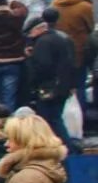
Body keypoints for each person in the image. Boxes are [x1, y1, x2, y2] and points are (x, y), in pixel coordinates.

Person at [22, 8, 79, 143]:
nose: (30, 36)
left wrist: (30, 60)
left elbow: (43, 67)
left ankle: (65, 149)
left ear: (37, 29)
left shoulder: (43, 43)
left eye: (30, 33)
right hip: (62, 87)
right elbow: (71, 63)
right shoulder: (62, 38)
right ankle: (67, 149)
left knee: (50, 121)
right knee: (56, 118)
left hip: (48, 89)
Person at [51, 0, 94, 108]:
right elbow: (90, 28)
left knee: (62, 84)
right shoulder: (85, 6)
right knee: (80, 85)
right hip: (79, 50)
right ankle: (80, 117)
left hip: (59, 52)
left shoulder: (54, 4)